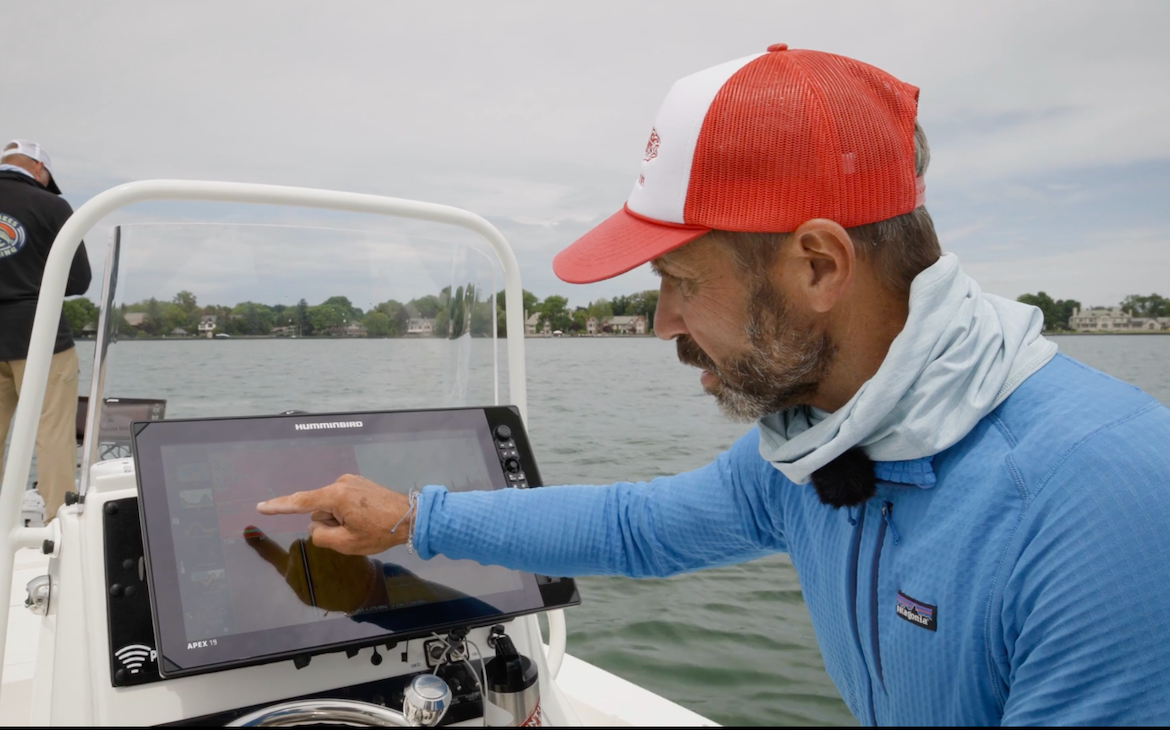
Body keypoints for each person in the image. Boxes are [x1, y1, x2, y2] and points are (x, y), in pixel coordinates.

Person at [257, 46, 1170, 725]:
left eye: (681, 282)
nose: (660, 323)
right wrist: (414, 520)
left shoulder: (1101, 495)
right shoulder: (825, 443)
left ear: (817, 265)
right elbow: (637, 526)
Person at [0, 140, 91, 522]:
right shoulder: (51, 205)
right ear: (39, 169)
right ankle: (57, 523)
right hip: (40, 334)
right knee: (52, 432)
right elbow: (79, 280)